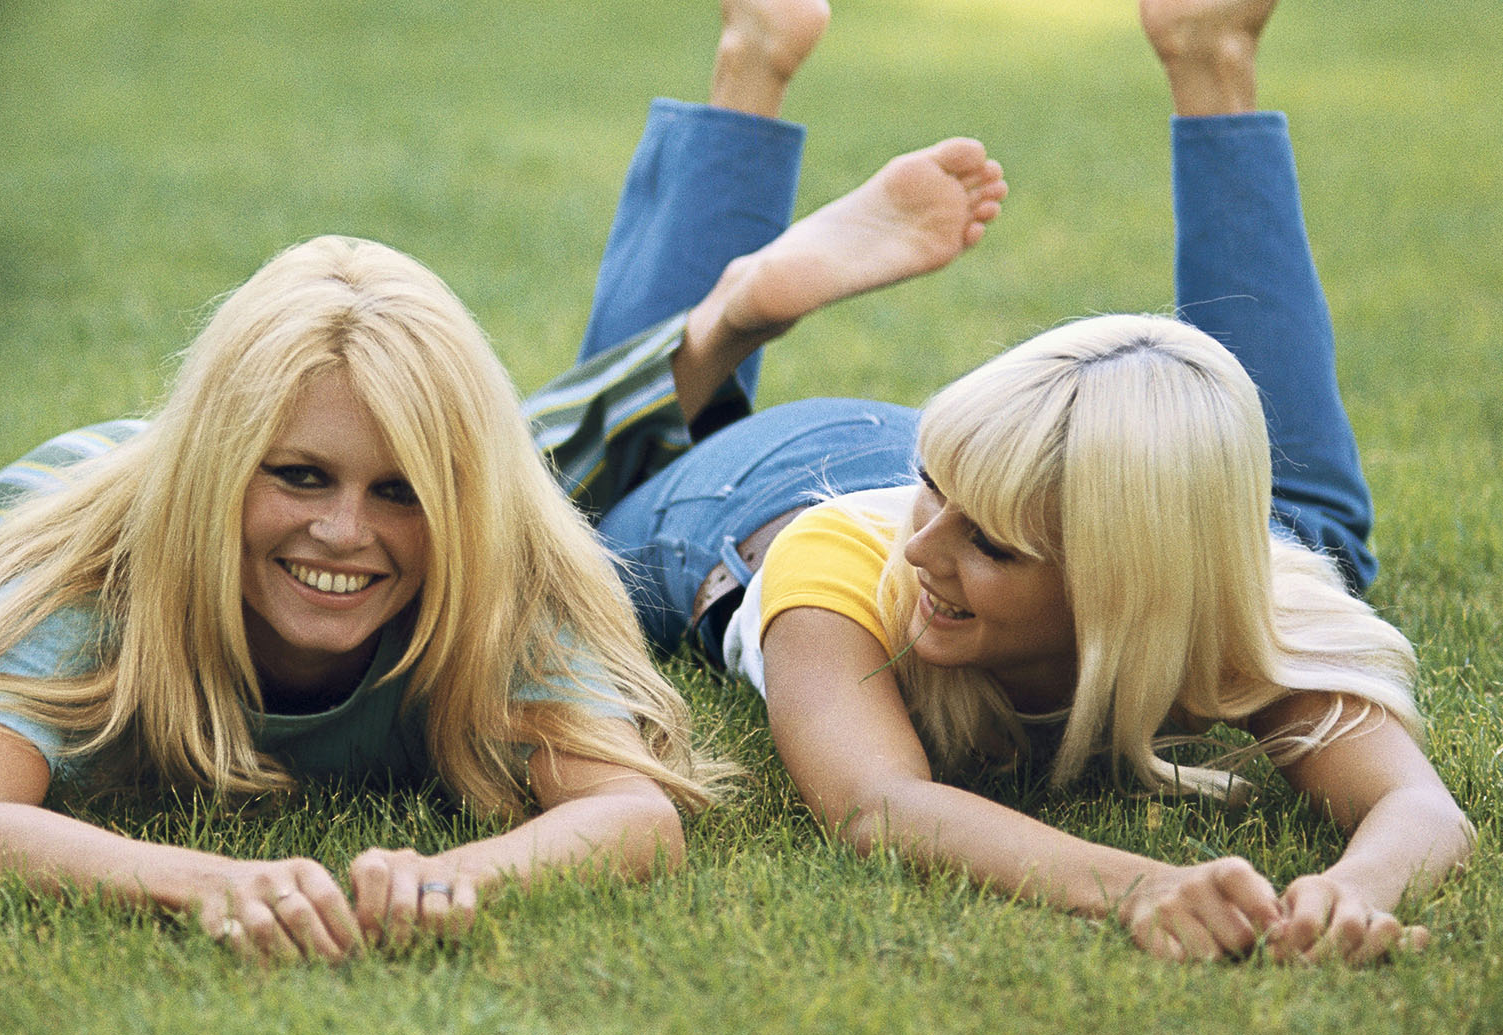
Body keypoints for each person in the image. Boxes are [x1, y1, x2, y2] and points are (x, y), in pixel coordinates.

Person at [0, 1, 898, 963]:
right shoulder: (95, 576)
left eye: (400, 489)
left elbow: (631, 811)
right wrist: (191, 878)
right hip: (86, 493)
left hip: (413, 470)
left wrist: (463, 879)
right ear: (225, 467)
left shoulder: (494, 566)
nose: (346, 531)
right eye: (300, 476)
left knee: (533, 456)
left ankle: (733, 171)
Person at [531, 0, 1473, 965]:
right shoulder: (850, 571)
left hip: (1021, 466)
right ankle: (731, 280)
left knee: (1307, 538)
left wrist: (1353, 893)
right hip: (755, 491)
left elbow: (1418, 808)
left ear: (1128, 582)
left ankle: (1212, 54)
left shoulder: (1238, 610)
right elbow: (880, 805)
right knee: (551, 510)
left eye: (986, 544)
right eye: (937, 504)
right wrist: (1143, 887)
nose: (919, 545)